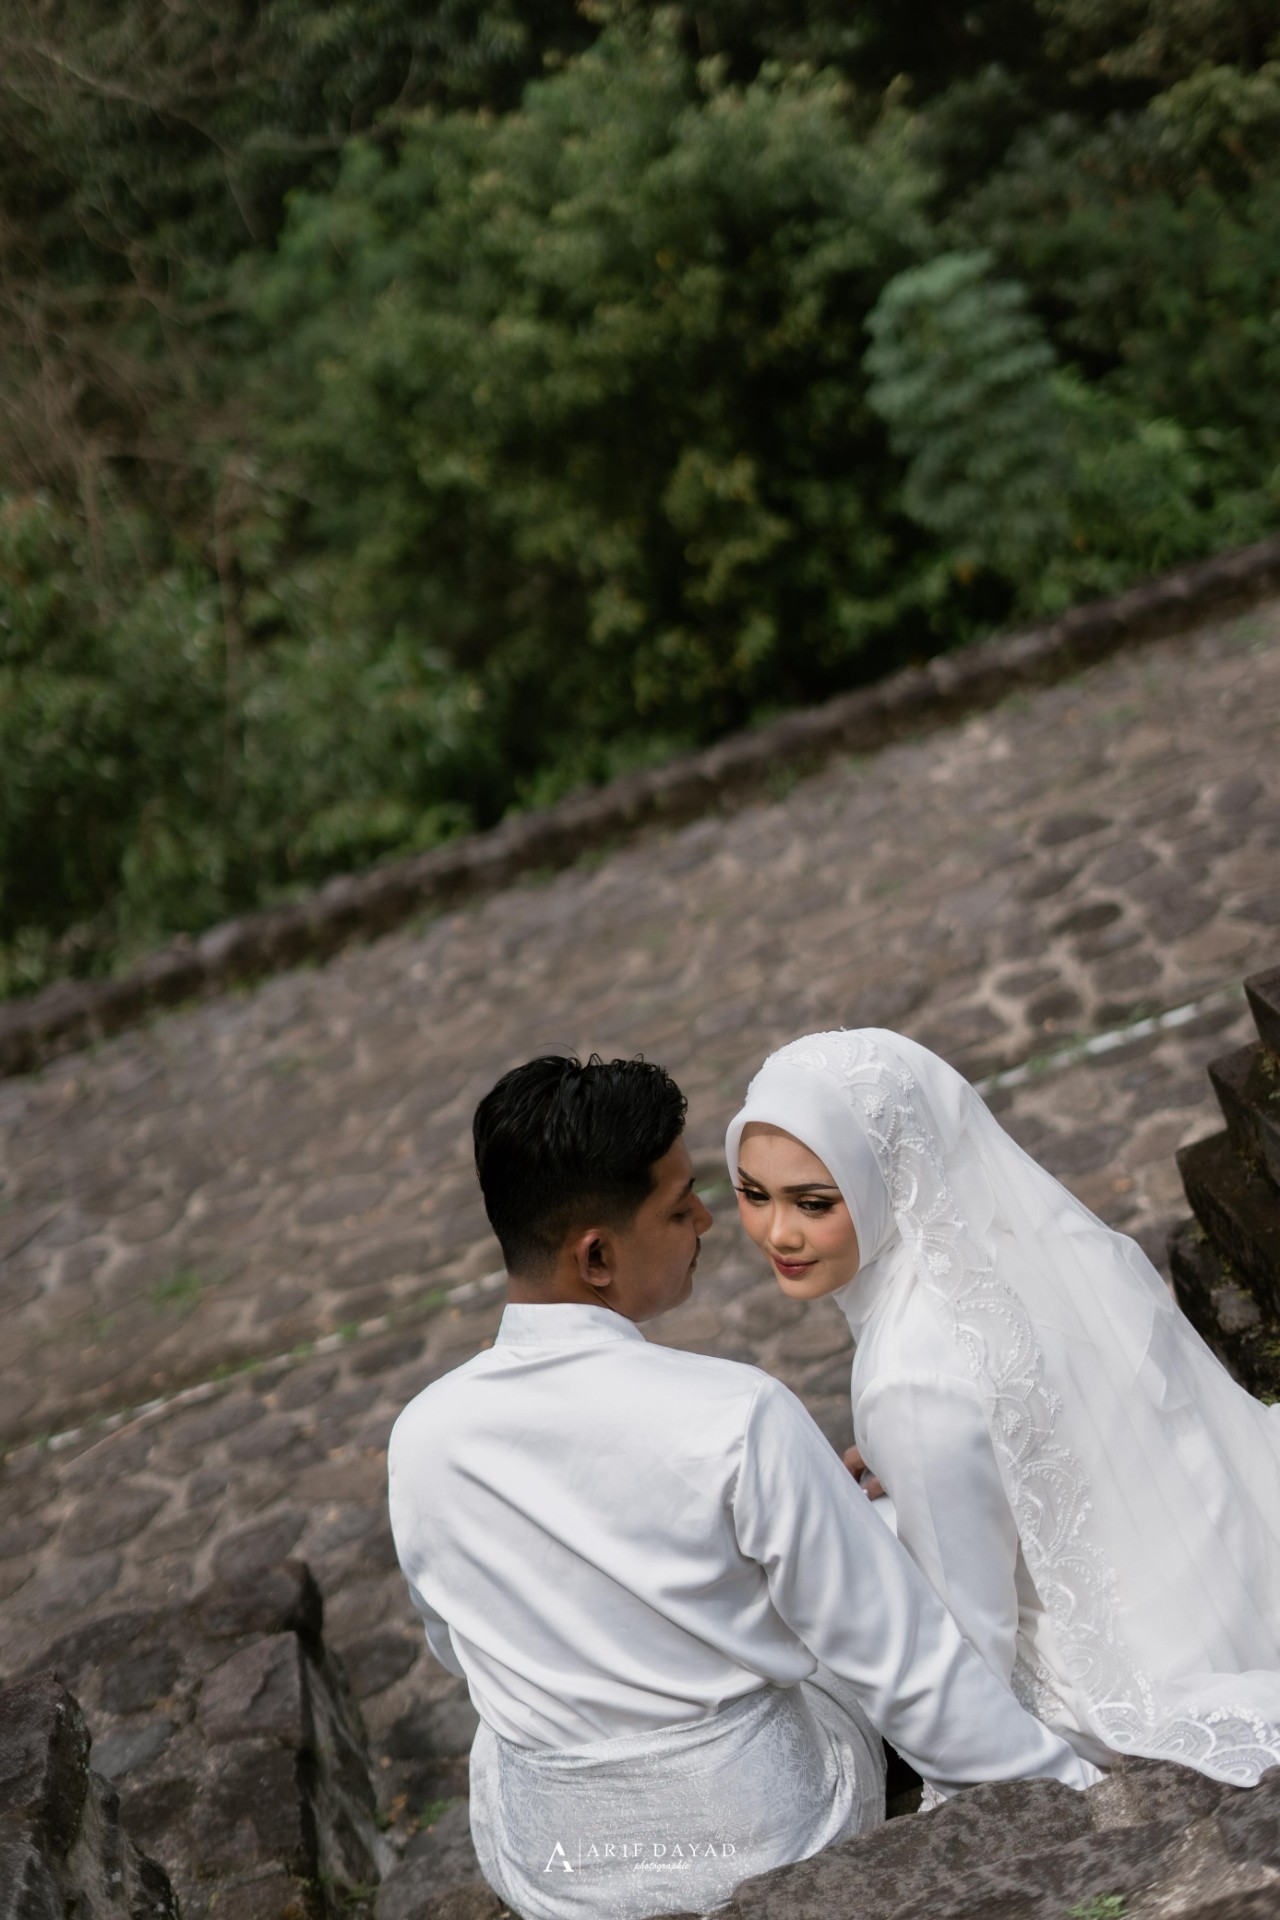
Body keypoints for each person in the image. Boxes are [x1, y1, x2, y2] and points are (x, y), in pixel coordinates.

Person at [388, 1054, 1099, 1920]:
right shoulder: (735, 1413)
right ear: (597, 1256)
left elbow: (457, 1644)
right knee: (884, 1538)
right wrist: (1071, 1797)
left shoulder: (421, 1435)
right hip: (770, 1838)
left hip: (562, 1867)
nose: (706, 1220)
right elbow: (902, 1660)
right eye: (679, 1204)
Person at [727, 1026, 1280, 1790]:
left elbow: (970, 1648)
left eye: (814, 1203)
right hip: (1211, 1551)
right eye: (752, 1193)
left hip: (1118, 1655)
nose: (777, 1233)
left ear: (883, 1180)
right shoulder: (1013, 1247)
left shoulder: (906, 1379)